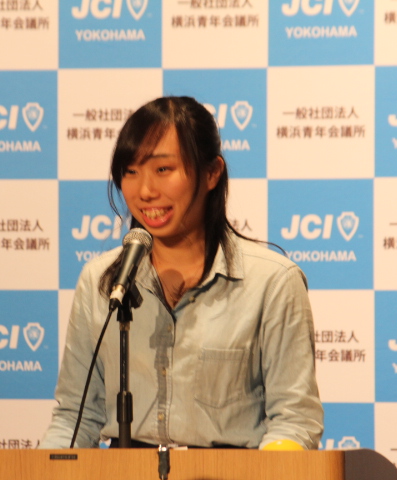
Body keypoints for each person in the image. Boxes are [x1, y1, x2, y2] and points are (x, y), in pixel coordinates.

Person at [41, 96, 323, 449]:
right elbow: (75, 417)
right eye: (130, 172)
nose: (145, 191)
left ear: (211, 173)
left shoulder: (273, 282)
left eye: (163, 170)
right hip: (126, 470)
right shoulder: (103, 281)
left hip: (231, 471)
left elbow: (295, 421)